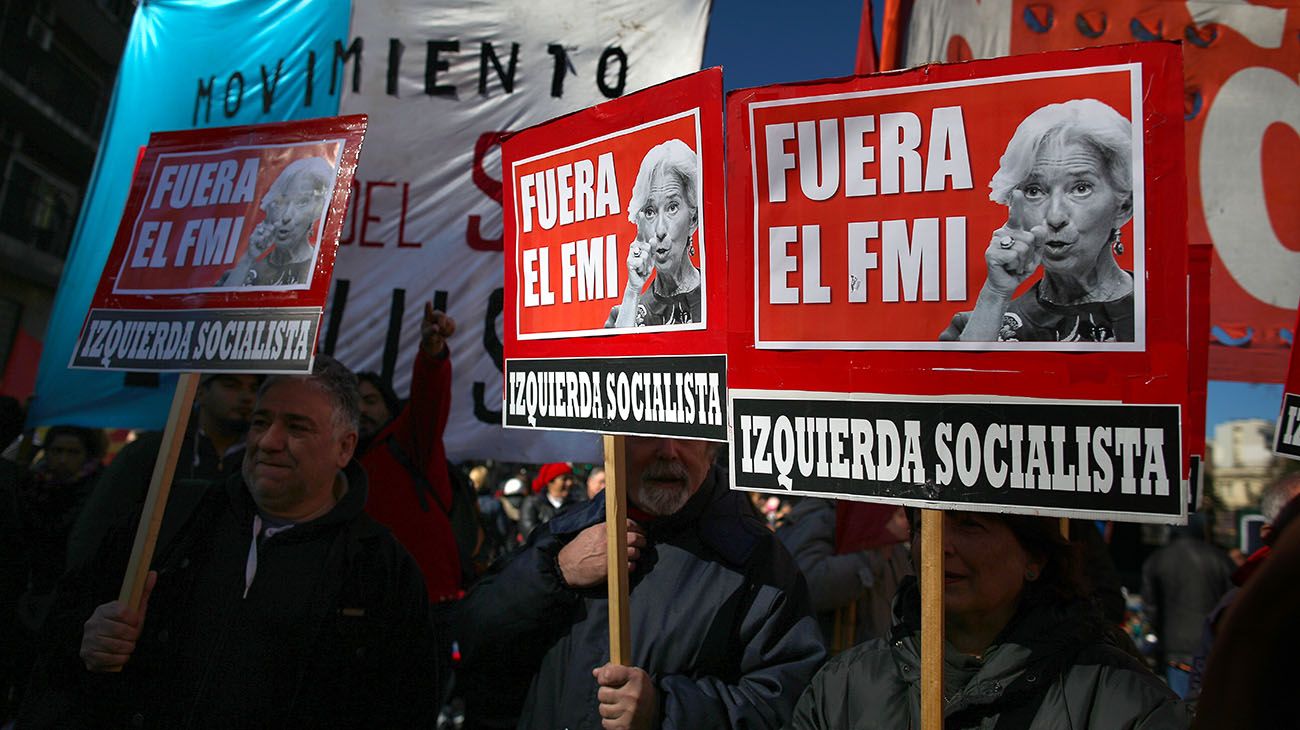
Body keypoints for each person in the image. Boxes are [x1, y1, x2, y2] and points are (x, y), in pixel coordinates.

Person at [20, 357, 439, 728]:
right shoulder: (171, 518)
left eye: (295, 427)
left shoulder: (381, 570)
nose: (268, 441)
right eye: (261, 421)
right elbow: (65, 622)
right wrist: (91, 636)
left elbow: (403, 705)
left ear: (345, 447)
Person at [456, 436, 826, 730]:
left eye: (688, 433)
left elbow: (788, 703)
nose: (668, 451)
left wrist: (665, 710)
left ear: (712, 450)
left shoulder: (757, 561)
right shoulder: (563, 533)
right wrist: (555, 571)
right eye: (647, 433)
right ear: (611, 442)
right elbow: (477, 631)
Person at [789, 510, 1187, 729]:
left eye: (969, 524)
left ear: (1034, 558)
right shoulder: (841, 689)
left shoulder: (1120, 699)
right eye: (925, 524)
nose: (940, 545)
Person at [941, 99, 1136, 343]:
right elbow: (960, 380)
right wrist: (995, 293)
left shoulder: (1166, 311)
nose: (1055, 217)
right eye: (1035, 191)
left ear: (1124, 207)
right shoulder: (977, 325)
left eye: (1081, 188)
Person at [66, 373, 259, 570]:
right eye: (231, 385)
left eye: (254, 388)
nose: (247, 397)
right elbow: (97, 528)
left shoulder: (261, 460)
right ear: (200, 392)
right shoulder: (153, 451)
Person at [354, 302, 463, 603]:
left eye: (370, 400)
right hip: (364, 598)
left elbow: (429, 396)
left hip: (427, 597)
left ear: (389, 407)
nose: (360, 409)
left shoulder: (408, 440)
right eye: (352, 401)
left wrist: (432, 352)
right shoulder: (334, 462)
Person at [776, 498, 912, 651]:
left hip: (879, 659)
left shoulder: (880, 512)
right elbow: (807, 583)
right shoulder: (823, 514)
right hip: (837, 659)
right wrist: (874, 554)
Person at [605, 139, 703, 328]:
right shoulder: (625, 313)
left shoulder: (720, 299)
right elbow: (616, 357)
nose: (659, 230)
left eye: (672, 207)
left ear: (693, 219)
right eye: (650, 211)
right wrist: (633, 290)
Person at [1140, 515, 1235, 698]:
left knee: (1181, 712)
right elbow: (1233, 604)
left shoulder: (1158, 559)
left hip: (1175, 652)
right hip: (1212, 650)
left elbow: (1150, 608)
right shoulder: (1220, 559)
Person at [218, 156, 334, 288]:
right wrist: (248, 259)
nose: (286, 216)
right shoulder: (246, 271)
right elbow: (218, 306)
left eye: (302, 202)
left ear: (318, 209)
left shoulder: (326, 269)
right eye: (281, 203)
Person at [518, 461, 575, 540]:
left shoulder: (575, 505)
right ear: (551, 481)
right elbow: (530, 533)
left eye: (571, 478)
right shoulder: (532, 503)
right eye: (564, 479)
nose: (569, 483)